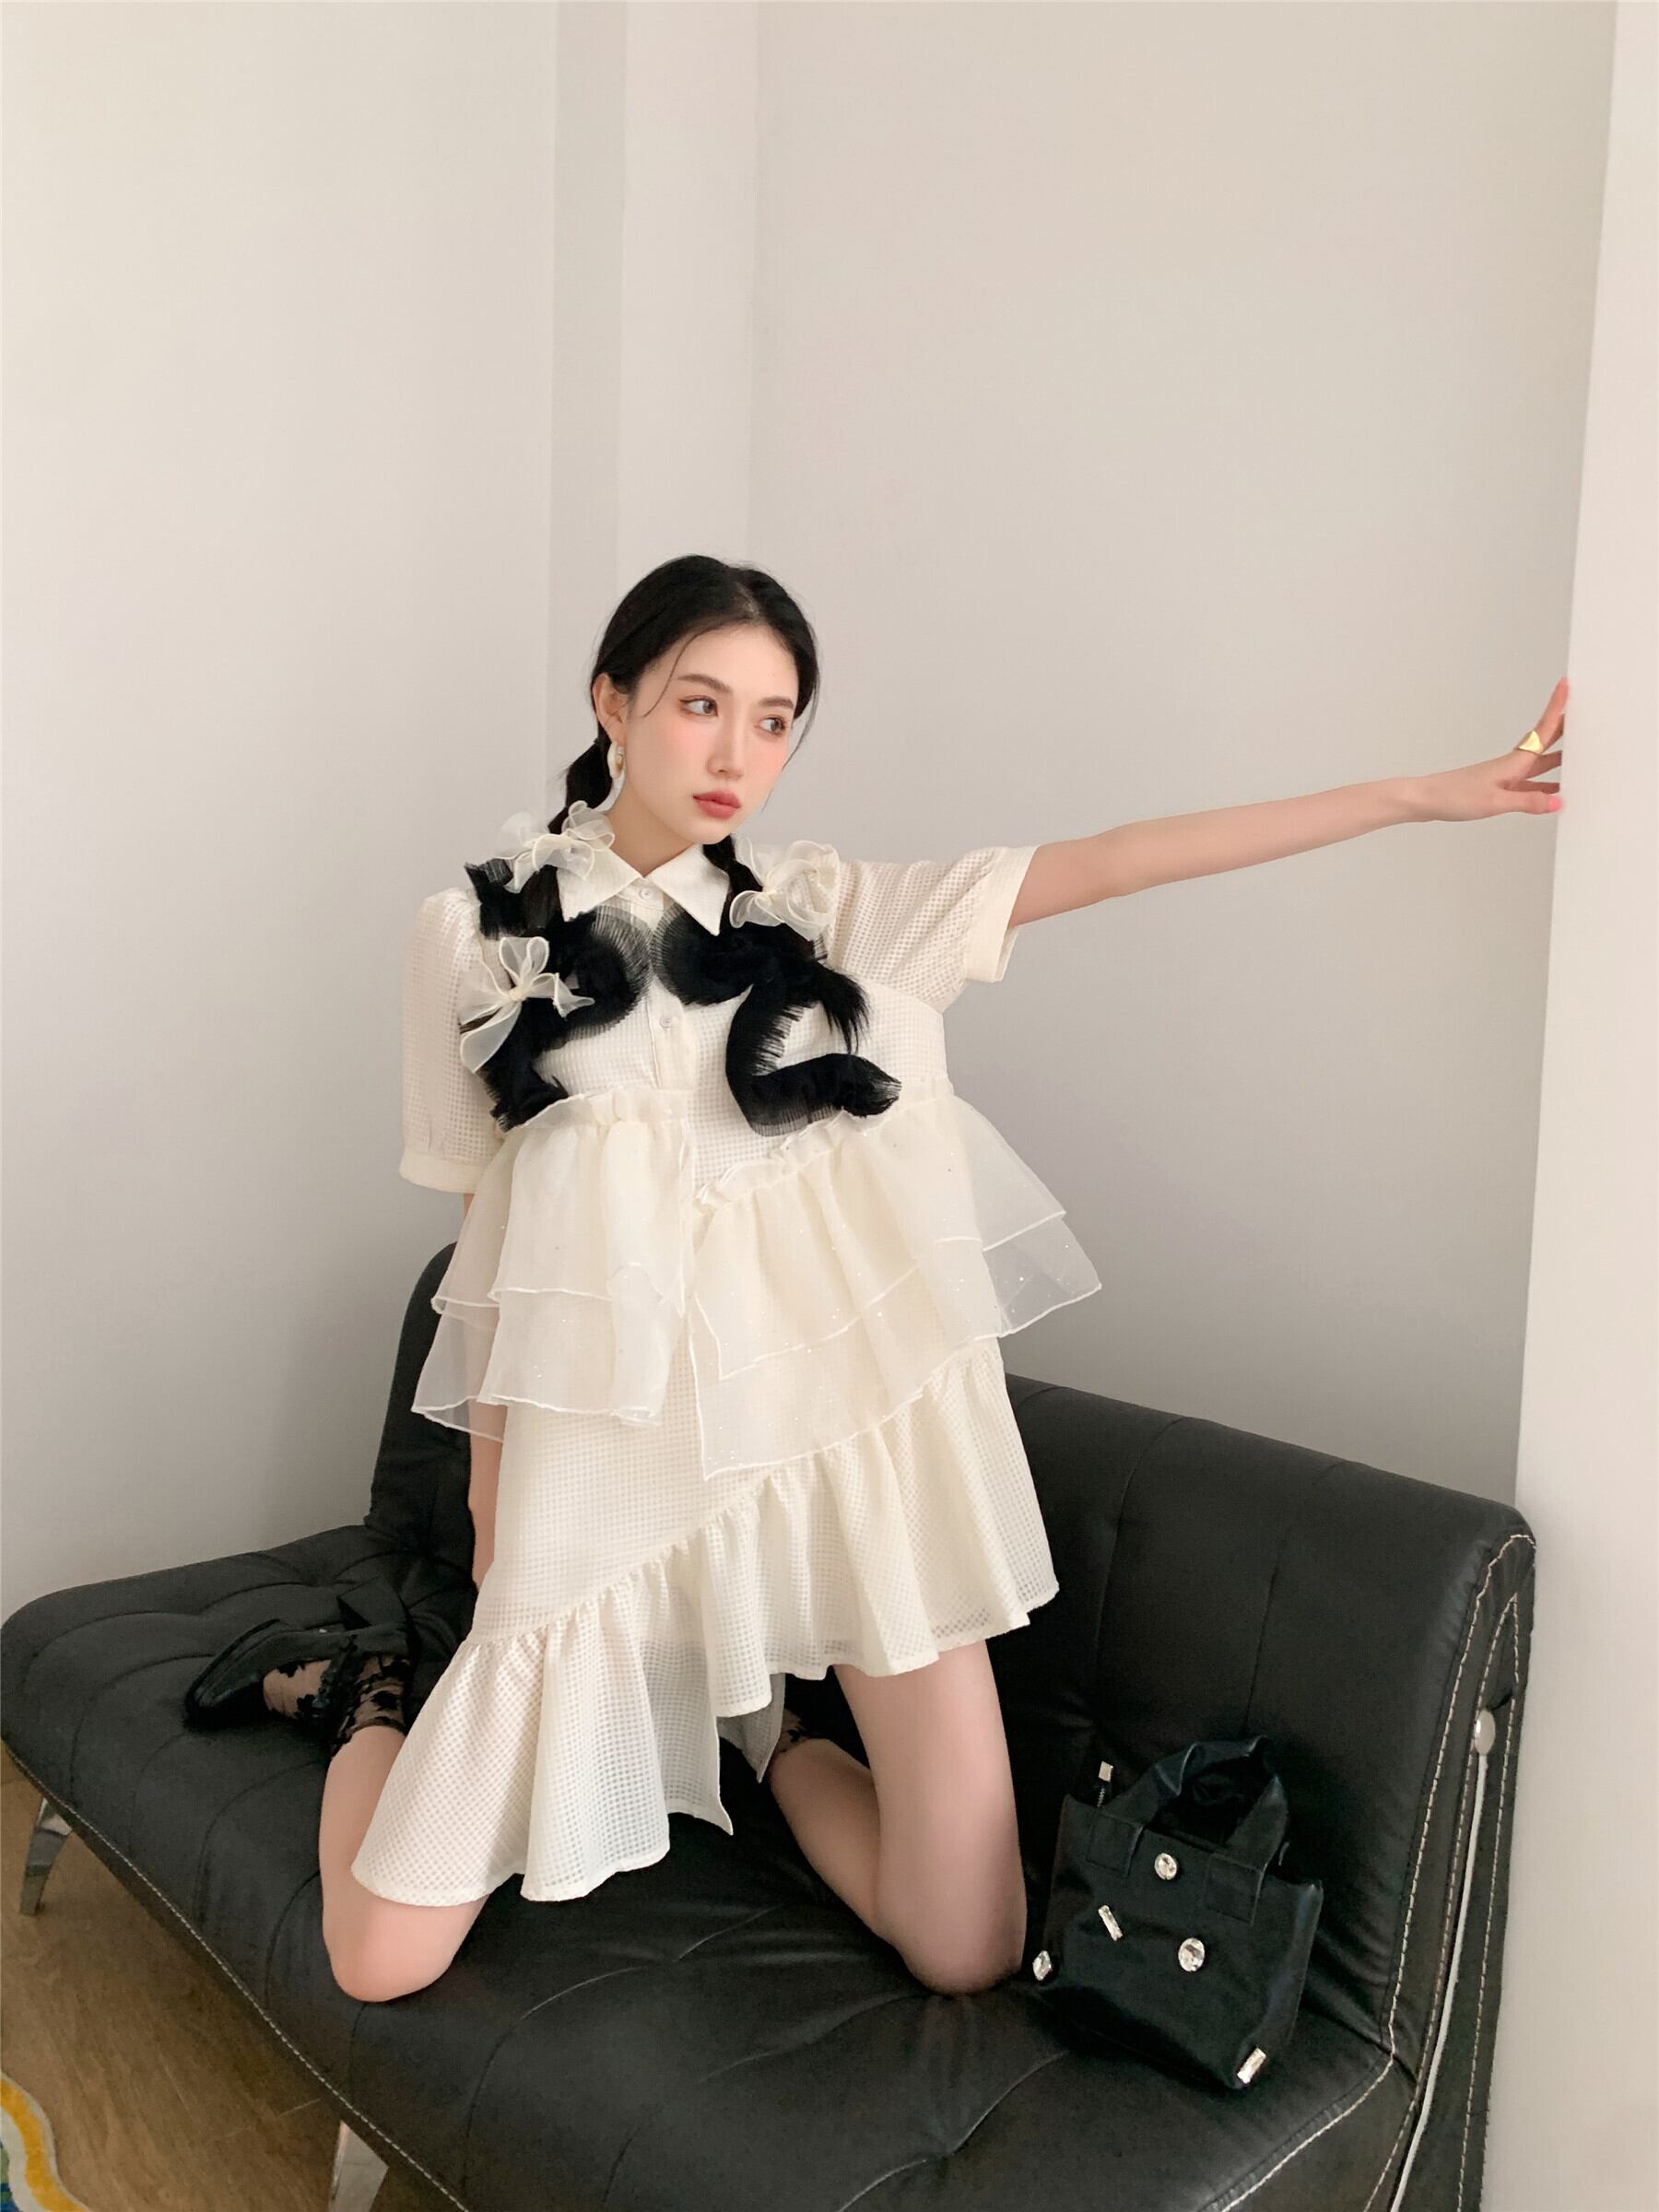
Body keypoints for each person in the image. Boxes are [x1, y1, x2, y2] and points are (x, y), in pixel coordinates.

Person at [182, 554, 1568, 2005]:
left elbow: (1112, 857)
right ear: (613, 701)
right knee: (380, 1960)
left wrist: (1421, 794)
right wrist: (489, 1481)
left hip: (849, 1463)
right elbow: (492, 1230)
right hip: (614, 1477)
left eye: (774, 719)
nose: (736, 753)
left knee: (965, 1944)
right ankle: (368, 1696)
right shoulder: (478, 937)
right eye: (700, 704)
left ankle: (769, 1737)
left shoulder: (828, 912)